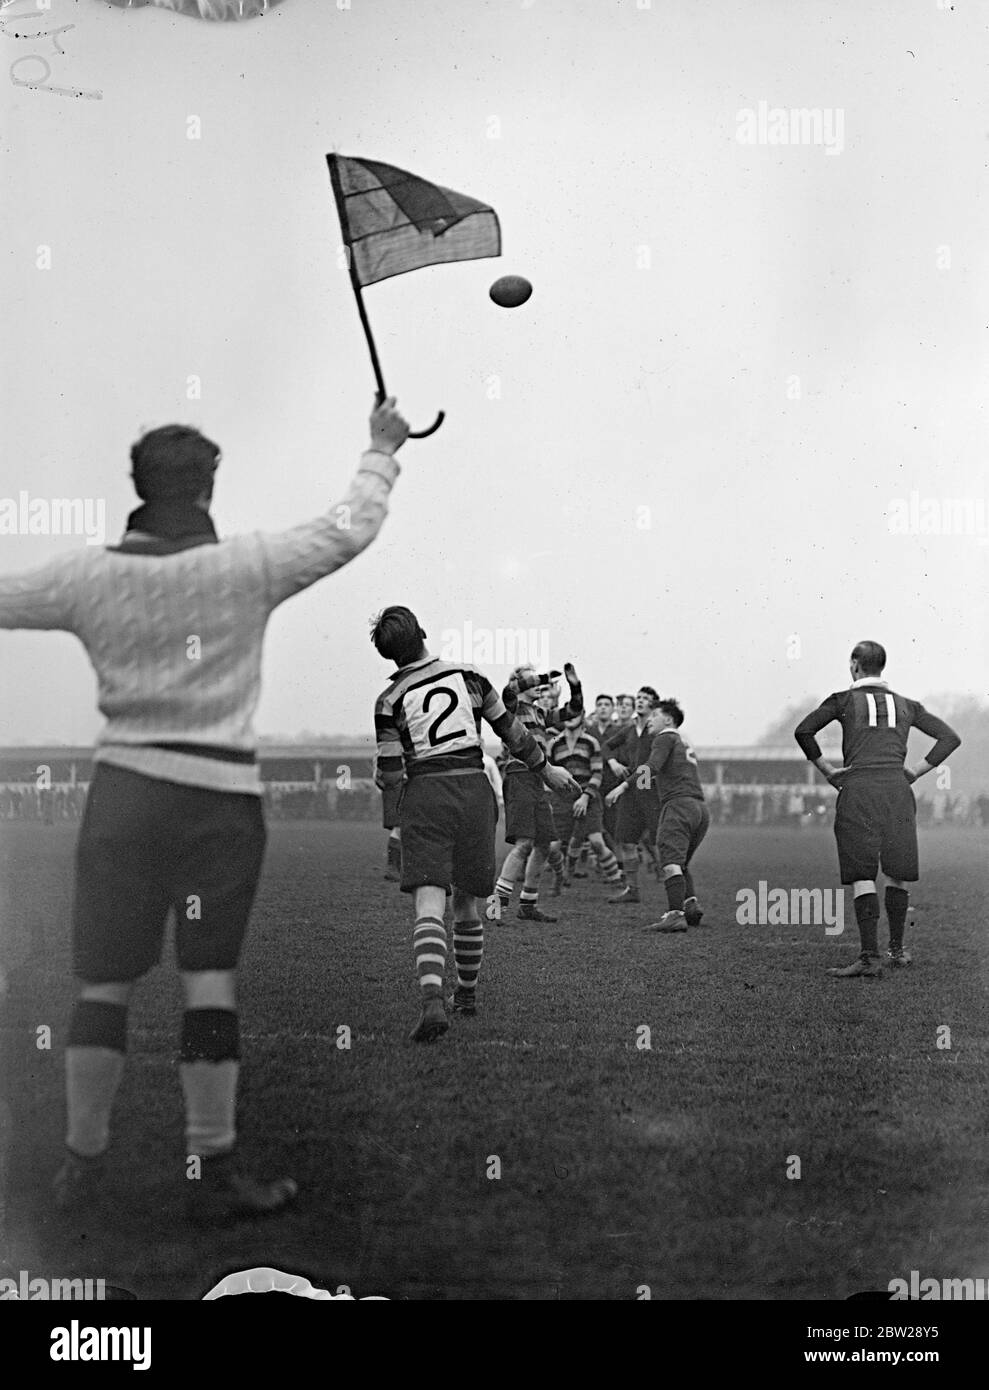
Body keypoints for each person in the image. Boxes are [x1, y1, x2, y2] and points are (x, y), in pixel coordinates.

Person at [0, 397, 411, 1219]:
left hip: (124, 796)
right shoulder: (246, 565)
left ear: (138, 485)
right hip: (217, 801)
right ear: (208, 487)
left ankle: (82, 1166)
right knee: (208, 982)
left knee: (104, 984)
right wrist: (380, 448)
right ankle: (211, 1172)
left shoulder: (88, 574)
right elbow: (348, 529)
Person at [371, 608, 579, 1041]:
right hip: (473, 791)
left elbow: (391, 774)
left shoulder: (388, 701)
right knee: (467, 902)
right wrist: (546, 771)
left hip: (426, 795)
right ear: (424, 634)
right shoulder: (470, 675)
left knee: (429, 902)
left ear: (389, 658)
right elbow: (513, 732)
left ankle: (432, 999)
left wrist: (383, 777)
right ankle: (465, 994)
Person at [794, 641, 961, 978]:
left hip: (859, 789)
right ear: (882, 666)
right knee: (897, 870)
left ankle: (869, 958)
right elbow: (949, 737)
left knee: (862, 874)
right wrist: (915, 771)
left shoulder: (842, 700)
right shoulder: (906, 705)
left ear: (855, 665)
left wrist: (827, 771)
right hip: (897, 792)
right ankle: (896, 951)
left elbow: (804, 731)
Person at [493, 662, 584, 922]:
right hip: (519, 775)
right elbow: (509, 689)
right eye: (531, 679)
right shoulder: (510, 707)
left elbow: (574, 710)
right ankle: (496, 906)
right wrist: (543, 677)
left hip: (538, 779)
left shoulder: (540, 713)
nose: (539, 684)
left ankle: (528, 905)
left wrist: (575, 685)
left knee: (544, 844)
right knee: (524, 844)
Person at [623, 698, 710, 933]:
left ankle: (674, 915)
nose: (649, 720)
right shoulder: (683, 741)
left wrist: (626, 787)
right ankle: (690, 906)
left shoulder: (664, 738)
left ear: (668, 720)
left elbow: (651, 766)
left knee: (670, 861)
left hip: (679, 805)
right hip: (700, 809)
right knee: (681, 863)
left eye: (654, 716)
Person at [545, 714, 623, 888]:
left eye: (575, 713)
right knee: (552, 848)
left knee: (596, 842)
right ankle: (562, 874)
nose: (570, 716)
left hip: (589, 797)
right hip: (562, 799)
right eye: (568, 712)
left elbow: (597, 773)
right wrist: (550, 800)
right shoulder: (554, 743)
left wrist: (585, 797)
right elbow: (547, 774)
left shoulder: (591, 742)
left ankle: (617, 882)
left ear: (582, 717)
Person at [603, 686, 662, 904]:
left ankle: (671, 884)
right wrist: (613, 762)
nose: (640, 701)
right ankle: (632, 890)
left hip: (651, 793)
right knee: (626, 841)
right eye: (638, 697)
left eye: (645, 698)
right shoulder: (628, 730)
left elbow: (648, 766)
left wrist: (622, 786)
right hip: (631, 793)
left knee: (657, 842)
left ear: (653, 705)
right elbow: (606, 746)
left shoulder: (655, 731)